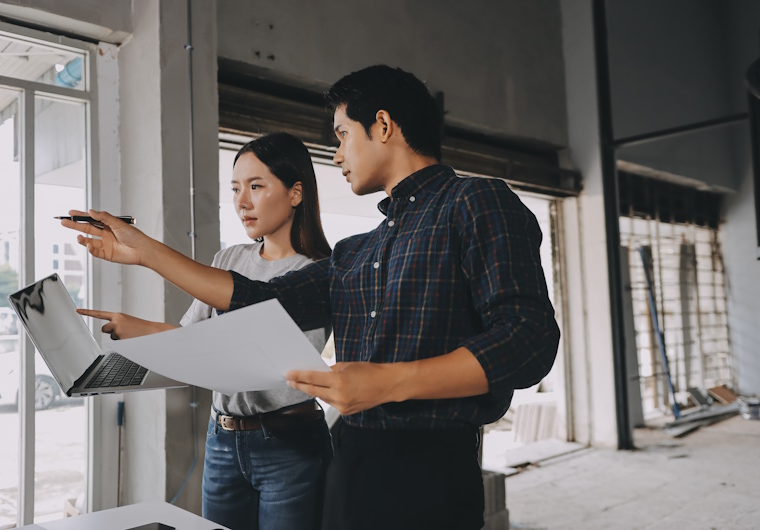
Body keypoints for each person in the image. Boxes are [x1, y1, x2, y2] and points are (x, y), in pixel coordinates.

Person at [63, 65, 560, 530]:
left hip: (433, 471)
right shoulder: (358, 251)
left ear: (383, 125)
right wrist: (146, 252)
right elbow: (258, 297)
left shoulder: (475, 202)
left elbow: (527, 340)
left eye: (342, 135)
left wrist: (388, 383)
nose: (337, 155)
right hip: (351, 460)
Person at [75, 132, 333, 530]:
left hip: (289, 444)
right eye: (235, 189)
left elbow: (263, 367)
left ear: (295, 193)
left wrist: (146, 255)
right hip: (223, 440)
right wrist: (135, 328)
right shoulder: (229, 259)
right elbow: (192, 339)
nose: (242, 202)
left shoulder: (315, 274)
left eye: (256, 186)